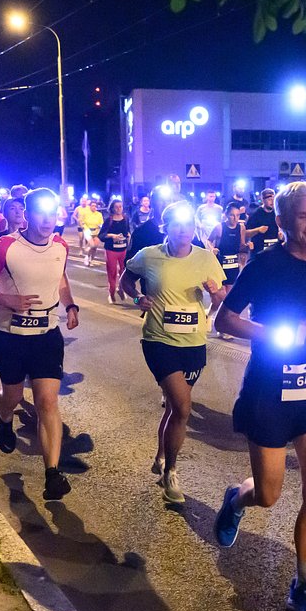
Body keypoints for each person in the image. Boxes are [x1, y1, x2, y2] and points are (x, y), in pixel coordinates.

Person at [214, 182, 306, 611]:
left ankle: (304, 585)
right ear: (283, 223)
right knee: (269, 494)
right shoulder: (265, 265)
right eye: (304, 217)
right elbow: (225, 318)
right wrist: (269, 334)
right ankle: (237, 498)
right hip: (269, 392)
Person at [0, 188, 79, 501]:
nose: (47, 220)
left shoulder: (60, 246)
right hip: (9, 336)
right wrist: (6, 299)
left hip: (47, 336)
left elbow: (60, 280)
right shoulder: (5, 246)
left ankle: (53, 474)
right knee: (13, 395)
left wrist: (70, 306)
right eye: (40, 213)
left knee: (47, 402)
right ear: (26, 215)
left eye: (52, 213)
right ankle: (3, 418)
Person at [120, 200, 226, 503]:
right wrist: (138, 296)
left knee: (173, 409)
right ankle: (171, 473)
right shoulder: (148, 256)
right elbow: (127, 280)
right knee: (181, 407)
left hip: (193, 342)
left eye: (189, 225)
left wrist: (213, 292)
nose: (184, 231)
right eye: (177, 225)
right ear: (166, 227)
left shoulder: (206, 258)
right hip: (158, 339)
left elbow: (220, 297)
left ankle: (160, 456)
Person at [99, 199, 130, 303]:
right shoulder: (109, 220)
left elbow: (127, 231)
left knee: (124, 272)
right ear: (112, 208)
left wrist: (128, 235)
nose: (119, 209)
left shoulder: (125, 219)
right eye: (116, 207)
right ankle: (111, 293)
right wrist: (112, 236)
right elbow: (101, 235)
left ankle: (121, 289)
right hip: (111, 250)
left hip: (123, 249)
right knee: (112, 272)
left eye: (120, 206)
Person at [245, 188, 279, 260]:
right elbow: (246, 233)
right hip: (259, 251)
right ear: (263, 200)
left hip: (275, 250)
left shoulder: (277, 213)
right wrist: (257, 230)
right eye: (270, 200)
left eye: (273, 199)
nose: (272, 202)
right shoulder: (255, 214)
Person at [80, 200, 104, 266]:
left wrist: (101, 226)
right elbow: (83, 223)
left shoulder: (99, 214)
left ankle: (91, 260)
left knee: (94, 248)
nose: (94, 207)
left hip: (96, 231)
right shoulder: (86, 213)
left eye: (95, 206)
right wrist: (86, 228)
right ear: (90, 206)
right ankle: (86, 257)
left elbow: (101, 223)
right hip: (88, 231)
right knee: (92, 245)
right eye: (92, 206)